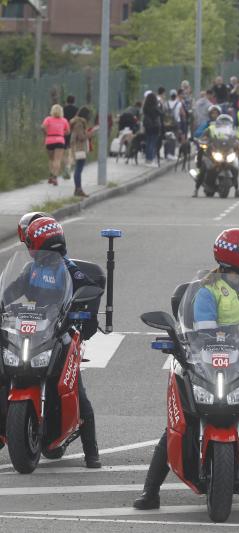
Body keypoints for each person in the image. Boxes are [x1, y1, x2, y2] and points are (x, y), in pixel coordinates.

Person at [134, 226, 239, 515]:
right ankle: (150, 491)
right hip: (206, 363)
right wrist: (235, 328)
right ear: (235, 257)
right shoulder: (205, 290)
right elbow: (201, 332)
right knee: (178, 423)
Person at [10, 216, 102, 468]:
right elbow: (11, 291)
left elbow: (91, 293)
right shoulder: (31, 270)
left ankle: (91, 452)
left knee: (77, 391)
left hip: (59, 333)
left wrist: (85, 316)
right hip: (29, 330)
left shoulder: (72, 271)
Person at [69, 106, 95, 198]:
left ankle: (78, 189)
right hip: (79, 148)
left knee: (78, 169)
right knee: (78, 169)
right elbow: (81, 137)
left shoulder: (76, 122)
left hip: (77, 148)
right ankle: (78, 189)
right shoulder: (79, 124)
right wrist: (89, 134)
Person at [42, 104, 70, 186]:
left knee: (51, 159)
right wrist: (61, 133)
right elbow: (68, 131)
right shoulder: (64, 120)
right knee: (57, 160)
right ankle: (55, 177)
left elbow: (43, 127)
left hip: (49, 140)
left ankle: (51, 175)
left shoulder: (48, 119)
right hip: (60, 140)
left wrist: (47, 132)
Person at [142, 92, 162, 167]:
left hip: (148, 126)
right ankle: (150, 159)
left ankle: (147, 159)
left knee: (148, 142)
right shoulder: (155, 107)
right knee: (153, 143)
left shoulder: (145, 107)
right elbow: (161, 113)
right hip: (155, 127)